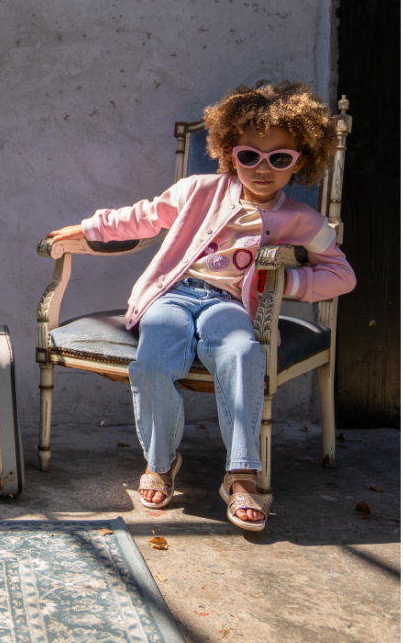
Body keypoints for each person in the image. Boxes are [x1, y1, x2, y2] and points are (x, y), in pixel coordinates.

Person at [47, 81, 356, 531]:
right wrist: (87, 228)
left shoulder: (303, 221)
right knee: (153, 361)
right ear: (231, 153)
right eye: (249, 156)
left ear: (300, 160)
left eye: (279, 158)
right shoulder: (199, 190)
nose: (262, 168)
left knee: (242, 352)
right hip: (170, 295)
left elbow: (341, 274)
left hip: (228, 304)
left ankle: (241, 474)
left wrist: (286, 280)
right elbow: (143, 216)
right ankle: (161, 460)